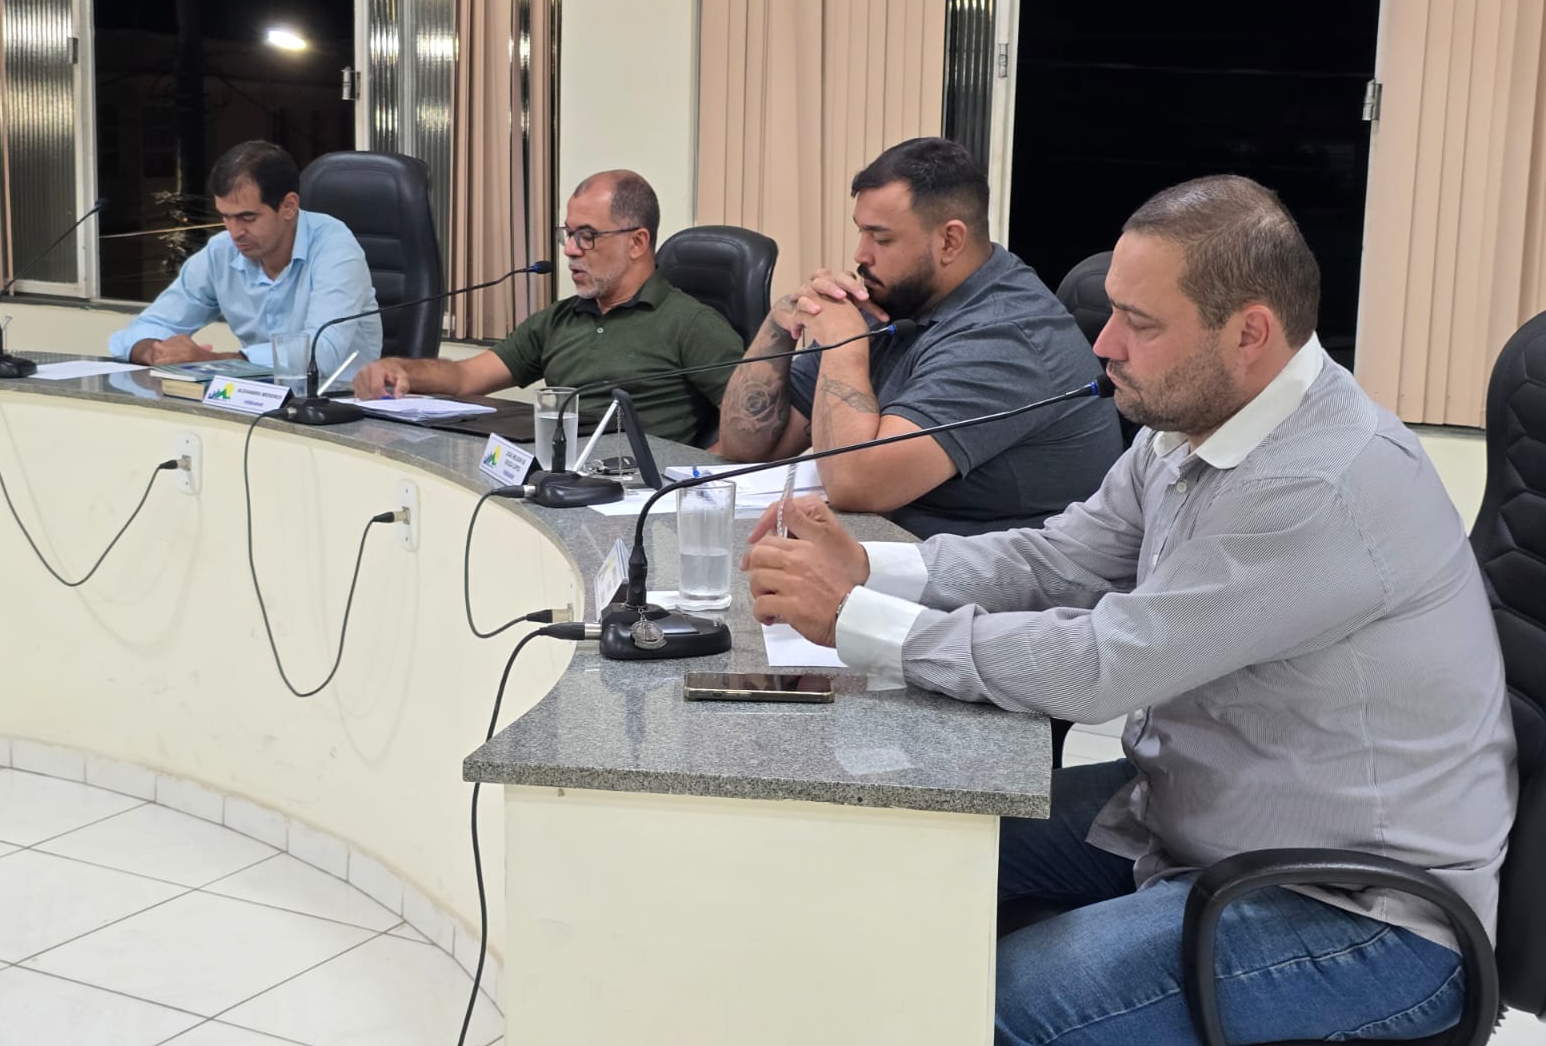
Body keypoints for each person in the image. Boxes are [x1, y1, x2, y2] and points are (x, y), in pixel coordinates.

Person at [742, 175, 1517, 1044]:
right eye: (1112, 310)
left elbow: (1102, 665)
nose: (1104, 344)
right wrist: (877, 568)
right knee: (887, 854)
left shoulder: (1321, 485)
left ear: (1249, 333)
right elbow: (1062, 557)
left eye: (1139, 323)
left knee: (976, 1009)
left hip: (1355, 912)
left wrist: (856, 619)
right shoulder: (1194, 424)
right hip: (1189, 815)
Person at [715, 136, 1120, 538]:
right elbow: (746, 446)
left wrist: (845, 345)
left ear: (949, 241)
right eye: (861, 232)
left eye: (882, 238)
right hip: (893, 549)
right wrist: (781, 322)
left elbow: (856, 484)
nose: (860, 255)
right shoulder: (894, 298)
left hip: (983, 571)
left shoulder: (1006, 336)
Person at [352, 169, 744, 445]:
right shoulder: (560, 318)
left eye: (587, 236)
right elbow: (465, 377)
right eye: (568, 234)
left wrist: (691, 482)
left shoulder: (690, 324)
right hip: (556, 481)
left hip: (633, 498)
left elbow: (756, 429)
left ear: (637, 242)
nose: (570, 250)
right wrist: (401, 370)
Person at [109, 141, 380, 383]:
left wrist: (212, 362)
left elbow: (322, 353)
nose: (234, 231)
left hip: (341, 403)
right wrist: (155, 351)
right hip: (255, 400)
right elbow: (144, 328)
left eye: (247, 217)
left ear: (288, 206)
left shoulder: (336, 248)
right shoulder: (222, 251)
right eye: (225, 217)